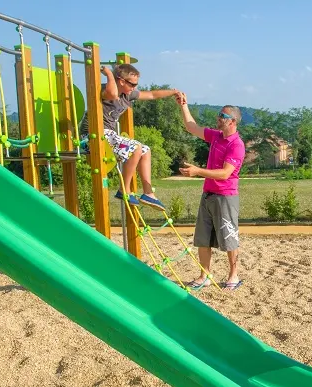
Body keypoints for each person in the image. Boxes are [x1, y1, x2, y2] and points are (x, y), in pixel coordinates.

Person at [78, 64, 178, 210]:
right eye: (132, 84)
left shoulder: (128, 94)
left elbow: (151, 95)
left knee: (145, 150)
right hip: (92, 136)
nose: (134, 87)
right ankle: (123, 189)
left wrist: (173, 92)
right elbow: (112, 94)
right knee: (135, 148)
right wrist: (109, 74)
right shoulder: (105, 89)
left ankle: (148, 193)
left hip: (107, 135)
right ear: (121, 81)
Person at [174, 92, 244, 291]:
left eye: (223, 116)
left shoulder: (236, 145)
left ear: (233, 122)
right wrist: (183, 105)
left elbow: (225, 174)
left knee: (229, 238)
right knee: (202, 238)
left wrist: (197, 171)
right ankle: (204, 275)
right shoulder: (215, 136)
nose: (218, 118)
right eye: (219, 115)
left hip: (226, 197)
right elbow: (191, 126)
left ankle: (233, 275)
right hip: (208, 195)